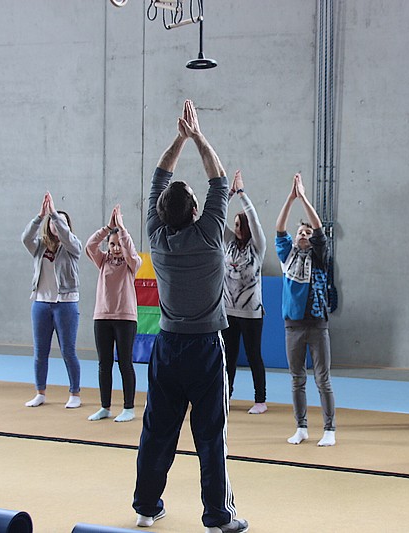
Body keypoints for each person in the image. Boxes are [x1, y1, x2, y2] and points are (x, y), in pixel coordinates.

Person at [132, 100, 248, 533]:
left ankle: (146, 506)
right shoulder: (211, 231)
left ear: (161, 212)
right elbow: (219, 177)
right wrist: (198, 136)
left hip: (166, 345)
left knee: (156, 430)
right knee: (210, 434)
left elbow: (158, 177)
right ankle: (218, 516)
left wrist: (178, 138)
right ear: (197, 211)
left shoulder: (156, 236)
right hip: (205, 349)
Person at [275, 172, 336, 447]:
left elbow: (319, 229)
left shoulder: (319, 258)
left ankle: (329, 428)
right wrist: (289, 199)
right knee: (297, 379)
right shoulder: (287, 257)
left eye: (306, 233)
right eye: (300, 232)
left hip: (317, 324)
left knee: (322, 378)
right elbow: (279, 229)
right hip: (293, 325)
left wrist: (304, 199)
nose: (302, 234)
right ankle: (301, 427)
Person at [21, 191, 82, 409]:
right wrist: (40, 216)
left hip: (65, 304)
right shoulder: (39, 246)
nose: (57, 226)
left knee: (68, 350)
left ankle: (75, 393)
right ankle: (40, 392)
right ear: (48, 226)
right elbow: (25, 238)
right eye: (54, 222)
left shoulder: (73, 247)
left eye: (62, 223)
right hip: (41, 303)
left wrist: (56, 214)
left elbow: (67, 236)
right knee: (40, 352)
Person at [85, 204, 142, 423]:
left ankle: (129, 407)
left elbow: (132, 252)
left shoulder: (132, 264)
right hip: (102, 317)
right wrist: (108, 227)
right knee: (104, 363)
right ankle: (105, 406)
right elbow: (90, 246)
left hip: (125, 318)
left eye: (119, 245)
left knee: (125, 363)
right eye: (112, 244)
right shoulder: (102, 261)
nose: (116, 248)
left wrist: (123, 230)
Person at [222, 170, 269, 415]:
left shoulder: (257, 246)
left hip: (251, 312)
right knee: (228, 358)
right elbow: (217, 219)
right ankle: (225, 396)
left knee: (253, 356)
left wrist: (242, 194)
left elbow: (255, 220)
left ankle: (260, 399)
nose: (236, 228)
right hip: (228, 310)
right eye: (235, 226)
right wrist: (228, 194)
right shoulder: (229, 242)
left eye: (240, 225)